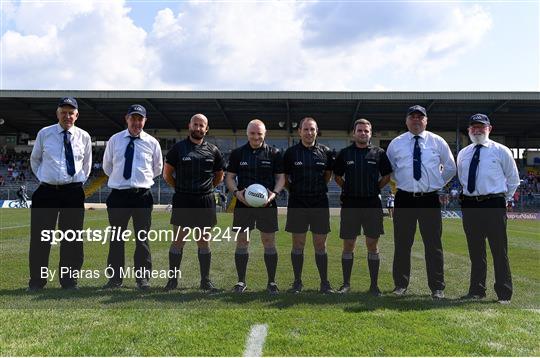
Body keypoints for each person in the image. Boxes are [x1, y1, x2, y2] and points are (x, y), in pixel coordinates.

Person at [386, 105, 456, 299]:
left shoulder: (437, 141)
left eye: (420, 117)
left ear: (426, 121)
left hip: (429, 198)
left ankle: (437, 287)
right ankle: (400, 285)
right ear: (406, 121)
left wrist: (437, 182)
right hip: (405, 197)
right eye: (412, 117)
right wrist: (401, 181)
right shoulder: (396, 143)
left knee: (433, 244)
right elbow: (389, 168)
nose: (416, 120)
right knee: (402, 244)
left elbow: (450, 166)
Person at [28, 97, 92, 291]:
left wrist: (75, 182)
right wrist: (45, 178)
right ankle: (37, 282)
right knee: (41, 238)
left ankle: (69, 281)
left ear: (77, 115)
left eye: (71, 113)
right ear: (57, 114)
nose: (67, 116)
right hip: (46, 191)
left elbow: (86, 165)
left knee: (72, 238)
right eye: (63, 112)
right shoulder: (45, 134)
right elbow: (35, 159)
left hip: (72, 192)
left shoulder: (84, 137)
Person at [457, 114, 519, 304]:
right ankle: (477, 290)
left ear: (489, 129)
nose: (477, 130)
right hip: (470, 204)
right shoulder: (463, 153)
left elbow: (513, 180)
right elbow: (462, 178)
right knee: (476, 251)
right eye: (473, 127)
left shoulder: (501, 151)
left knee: (499, 250)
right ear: (468, 130)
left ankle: (504, 293)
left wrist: (501, 200)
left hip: (493, 204)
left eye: (481, 127)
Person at [102, 104, 163, 290]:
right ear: (126, 119)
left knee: (142, 238)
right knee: (116, 238)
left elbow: (157, 168)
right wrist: (124, 181)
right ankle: (115, 279)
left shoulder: (152, 142)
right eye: (133, 118)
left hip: (142, 196)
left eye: (140, 119)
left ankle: (142, 279)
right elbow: (108, 166)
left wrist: (138, 181)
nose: (136, 122)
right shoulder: (115, 140)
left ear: (145, 121)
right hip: (119, 196)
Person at [162, 114, 225, 292]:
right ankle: (172, 281)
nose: (198, 128)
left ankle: (205, 281)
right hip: (183, 199)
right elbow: (167, 175)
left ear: (206, 129)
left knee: (203, 241)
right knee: (178, 241)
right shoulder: (178, 149)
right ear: (189, 126)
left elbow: (219, 175)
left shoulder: (213, 150)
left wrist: (207, 188)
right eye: (195, 124)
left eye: (201, 125)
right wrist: (180, 188)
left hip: (205, 200)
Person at [225, 119, 285, 294]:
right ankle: (241, 281)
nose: (256, 136)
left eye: (259, 133)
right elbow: (229, 177)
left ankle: (272, 283)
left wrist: (273, 194)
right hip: (243, 204)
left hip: (267, 204)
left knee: (269, 241)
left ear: (264, 134)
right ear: (247, 133)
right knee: (242, 241)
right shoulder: (237, 153)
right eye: (252, 133)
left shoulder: (274, 153)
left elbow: (281, 178)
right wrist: (237, 194)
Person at [333, 119, 392, 296]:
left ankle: (374, 286)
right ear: (354, 133)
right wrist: (348, 188)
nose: (363, 133)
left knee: (372, 244)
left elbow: (387, 176)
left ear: (370, 133)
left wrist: (374, 189)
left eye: (366, 131)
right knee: (348, 244)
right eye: (360, 130)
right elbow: (337, 176)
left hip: (372, 204)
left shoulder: (379, 153)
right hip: (350, 204)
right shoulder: (345, 153)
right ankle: (346, 284)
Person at [283, 117, 335, 294]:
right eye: (305, 129)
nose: (309, 132)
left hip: (319, 202)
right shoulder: (290, 153)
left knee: (321, 244)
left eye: (312, 129)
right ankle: (297, 282)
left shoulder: (326, 152)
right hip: (298, 202)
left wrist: (317, 189)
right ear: (299, 132)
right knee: (298, 244)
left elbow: (327, 175)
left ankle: (324, 283)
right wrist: (295, 191)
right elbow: (285, 179)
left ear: (316, 131)